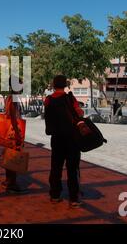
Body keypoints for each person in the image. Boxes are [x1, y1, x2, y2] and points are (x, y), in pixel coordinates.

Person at [44, 75, 84, 208]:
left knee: (56, 167)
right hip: (72, 138)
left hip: (56, 138)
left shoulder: (48, 100)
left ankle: (55, 195)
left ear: (54, 85)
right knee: (72, 168)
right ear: (65, 85)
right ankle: (74, 198)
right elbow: (79, 113)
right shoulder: (70, 98)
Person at [1, 76, 28, 194]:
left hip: (9, 131)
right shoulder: (14, 98)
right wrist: (17, 133)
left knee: (9, 156)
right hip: (13, 131)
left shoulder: (9, 97)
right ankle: (12, 183)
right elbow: (13, 116)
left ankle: (8, 180)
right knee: (14, 157)